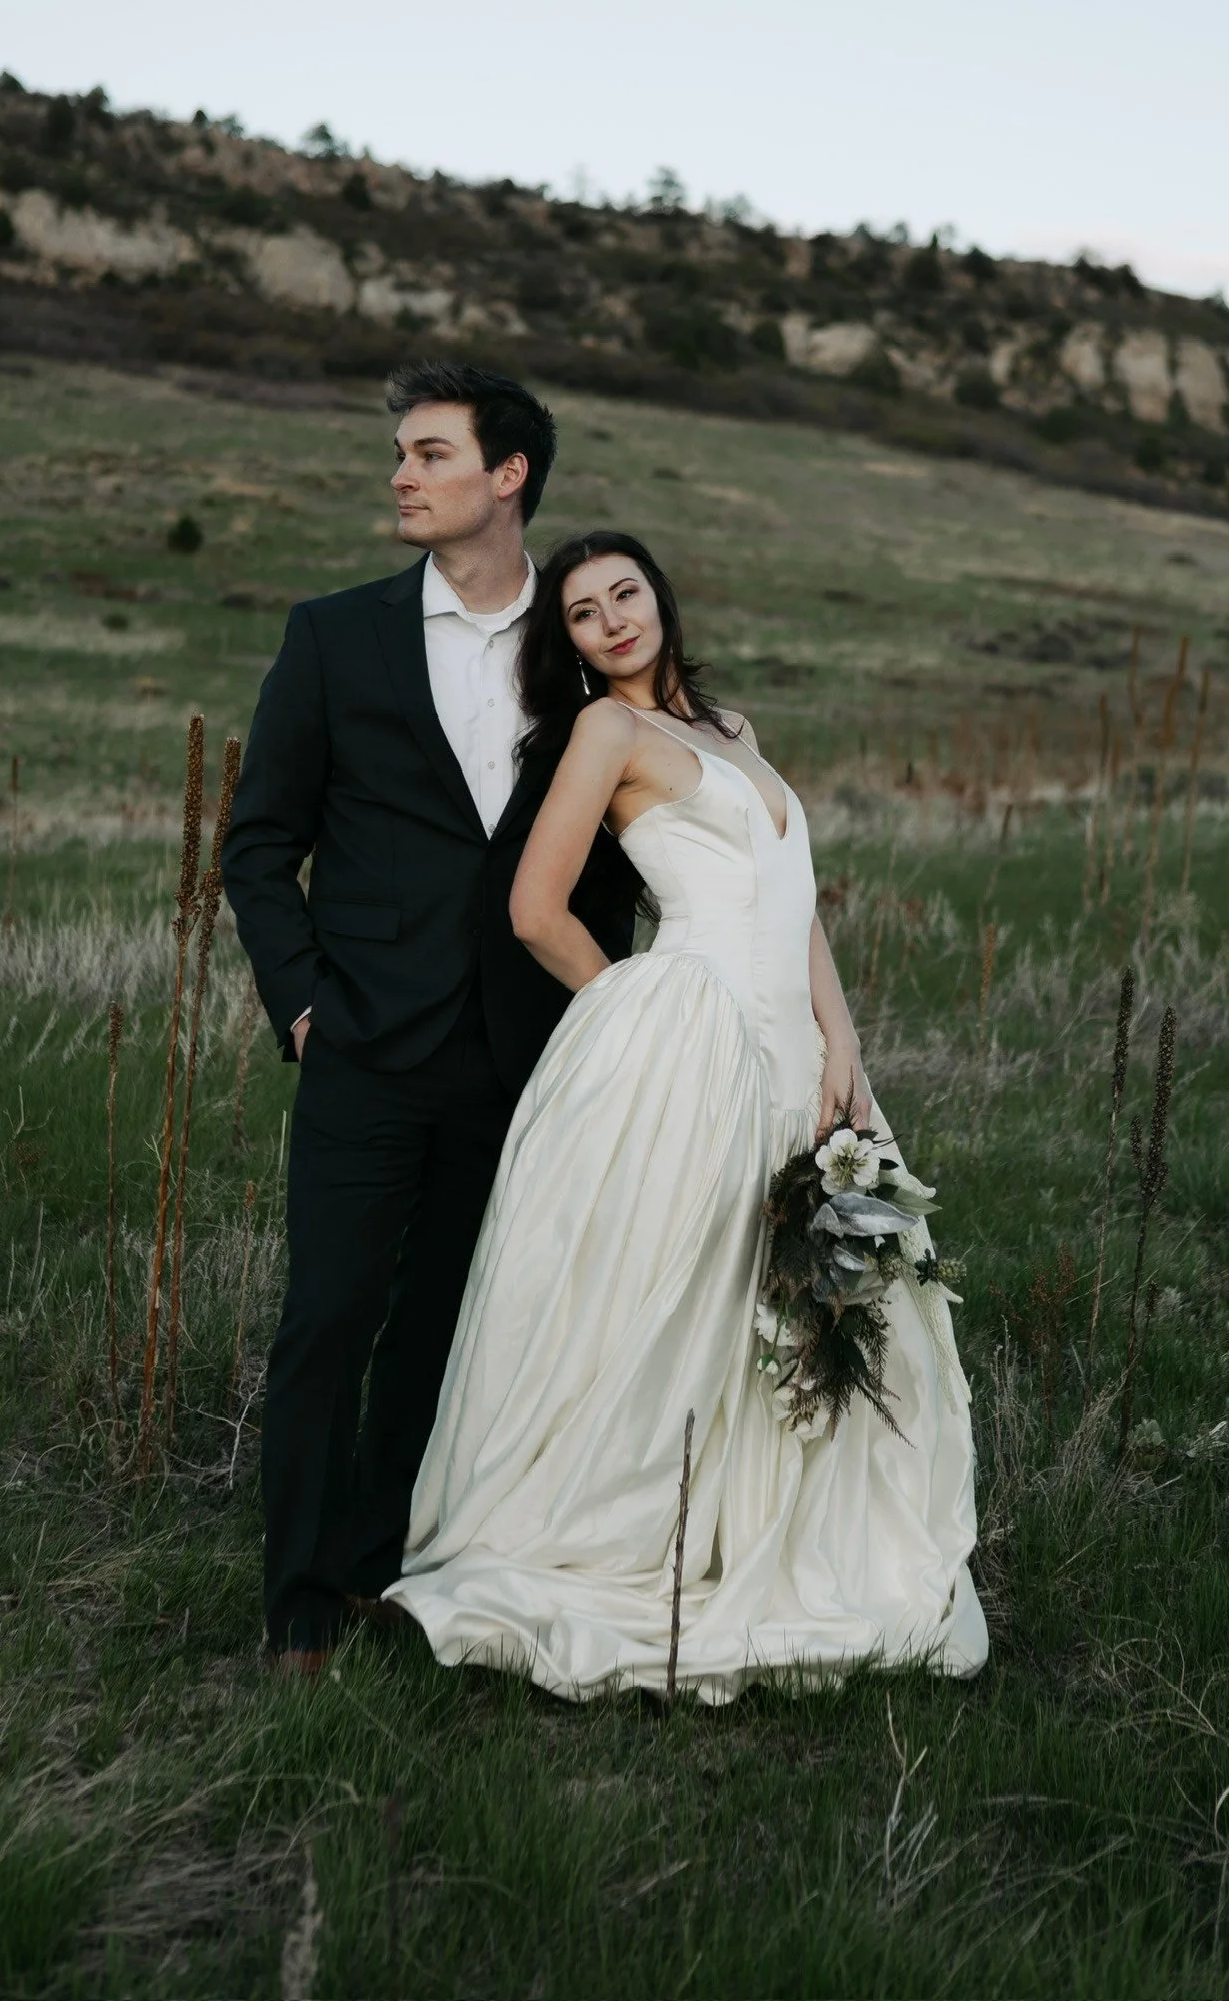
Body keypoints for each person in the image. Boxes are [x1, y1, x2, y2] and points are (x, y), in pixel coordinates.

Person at [387, 532, 987, 1698]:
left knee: (815, 1280)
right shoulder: (607, 733)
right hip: (694, 1035)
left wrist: (843, 1041)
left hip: (795, 1044)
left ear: (658, 598)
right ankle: (646, 1528)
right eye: (581, 613)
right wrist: (639, 1006)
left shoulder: (732, 732)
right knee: (693, 1281)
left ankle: (784, 1517)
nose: (612, 619)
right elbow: (532, 907)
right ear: (566, 643)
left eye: (625, 593)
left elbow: (794, 901)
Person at [222, 366, 637, 1671]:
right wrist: (300, 1008)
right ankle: (293, 1601)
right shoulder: (332, 637)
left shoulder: (579, 663)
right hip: (357, 1044)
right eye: (399, 453)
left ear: (508, 476)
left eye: (430, 453)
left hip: (512, 1058)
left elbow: (607, 870)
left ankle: (370, 1561)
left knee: (444, 1326)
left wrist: (600, 1023)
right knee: (328, 1317)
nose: (400, 474)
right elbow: (258, 845)